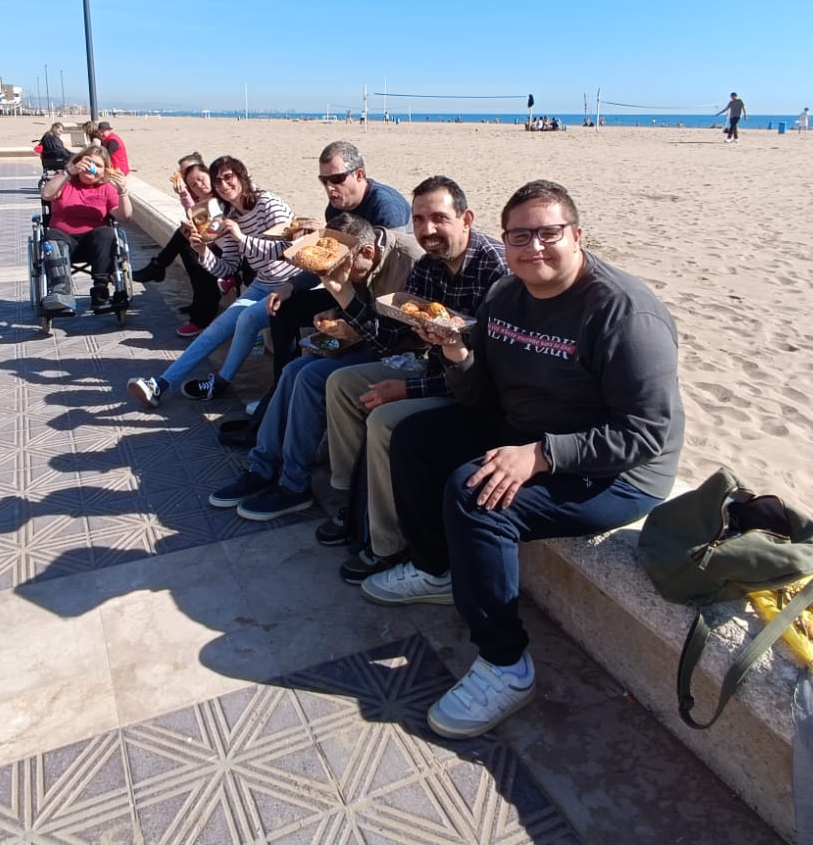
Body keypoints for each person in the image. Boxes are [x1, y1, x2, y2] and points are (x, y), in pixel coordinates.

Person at [361, 179, 684, 739]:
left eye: (548, 233)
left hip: (614, 470)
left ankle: (506, 665)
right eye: (519, 236)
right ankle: (438, 570)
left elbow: (646, 433)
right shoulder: (505, 297)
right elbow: (480, 395)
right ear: (503, 241)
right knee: (414, 439)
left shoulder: (624, 313)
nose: (534, 247)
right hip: (525, 429)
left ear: (577, 236)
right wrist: (458, 354)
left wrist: (541, 454)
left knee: (476, 494)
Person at [323, 176, 509, 583]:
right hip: (430, 370)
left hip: (471, 391)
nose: (427, 230)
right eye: (419, 219)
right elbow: (388, 338)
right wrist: (342, 294)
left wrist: (405, 389)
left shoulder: (496, 270)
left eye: (439, 218)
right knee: (341, 385)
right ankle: (354, 504)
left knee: (385, 421)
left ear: (466, 219)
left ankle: (387, 543)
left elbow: (490, 376)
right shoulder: (428, 267)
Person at [210, 214, 421, 520]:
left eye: (343, 268)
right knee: (294, 369)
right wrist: (337, 328)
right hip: (370, 341)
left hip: (405, 354)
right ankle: (262, 466)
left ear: (369, 253)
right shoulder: (354, 256)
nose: (340, 275)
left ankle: (294, 485)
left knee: (310, 377)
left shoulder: (408, 261)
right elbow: (356, 310)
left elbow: (408, 337)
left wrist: (355, 328)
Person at [126, 157, 298, 407]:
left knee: (247, 318)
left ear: (242, 176)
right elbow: (227, 266)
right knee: (215, 330)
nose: (224, 184)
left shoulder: (268, 203)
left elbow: (289, 247)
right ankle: (159, 385)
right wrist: (202, 251)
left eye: (229, 177)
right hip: (263, 284)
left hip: (290, 283)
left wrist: (241, 238)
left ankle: (220, 382)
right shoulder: (228, 215)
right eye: (218, 180)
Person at [261, 141, 412, 381]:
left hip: (384, 300)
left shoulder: (386, 209)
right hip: (350, 285)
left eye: (337, 179)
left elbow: (387, 273)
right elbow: (329, 260)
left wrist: (344, 313)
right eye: (324, 181)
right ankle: (279, 383)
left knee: (316, 365)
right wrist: (292, 285)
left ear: (359, 174)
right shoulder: (335, 209)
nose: (330, 188)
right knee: (284, 308)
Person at [132, 157, 228, 337]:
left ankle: (158, 267)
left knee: (188, 243)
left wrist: (187, 199)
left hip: (232, 251)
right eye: (192, 183)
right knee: (186, 242)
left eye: (201, 178)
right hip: (220, 244)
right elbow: (199, 220)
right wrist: (185, 197)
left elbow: (216, 225)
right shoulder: (207, 198)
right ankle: (198, 306)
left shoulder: (223, 194)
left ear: (209, 174)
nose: (198, 184)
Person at [37, 145, 132, 314]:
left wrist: (123, 192)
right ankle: (61, 292)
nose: (91, 168)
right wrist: (68, 172)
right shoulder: (65, 183)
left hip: (94, 245)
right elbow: (46, 194)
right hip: (63, 239)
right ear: (78, 163)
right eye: (88, 163)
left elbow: (124, 217)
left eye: (98, 165)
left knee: (107, 233)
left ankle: (100, 291)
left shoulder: (106, 189)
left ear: (104, 171)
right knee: (53, 236)